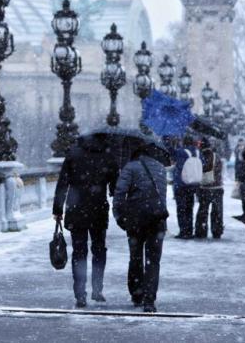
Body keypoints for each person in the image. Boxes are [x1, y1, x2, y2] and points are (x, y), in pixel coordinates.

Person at [52, 134, 119, 308]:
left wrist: (57, 210)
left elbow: (62, 184)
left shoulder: (73, 154)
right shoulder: (107, 156)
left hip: (76, 209)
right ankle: (97, 289)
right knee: (99, 249)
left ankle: (80, 294)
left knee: (79, 252)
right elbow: (114, 187)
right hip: (98, 209)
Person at [113, 146, 168, 312]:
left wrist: (119, 217)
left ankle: (137, 294)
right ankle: (149, 300)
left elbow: (119, 194)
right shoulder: (160, 168)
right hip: (157, 218)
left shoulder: (130, 167)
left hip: (136, 220)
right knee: (153, 261)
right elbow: (162, 195)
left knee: (135, 257)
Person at [172, 135, 202, 239]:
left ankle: (183, 231)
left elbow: (177, 164)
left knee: (181, 209)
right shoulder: (198, 153)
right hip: (193, 184)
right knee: (189, 208)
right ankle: (189, 230)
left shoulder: (181, 152)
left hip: (181, 184)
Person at [195, 138, 224, 239]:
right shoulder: (217, 156)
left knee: (203, 210)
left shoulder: (201, 157)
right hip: (217, 187)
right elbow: (219, 170)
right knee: (217, 211)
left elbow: (200, 170)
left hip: (204, 188)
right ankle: (217, 231)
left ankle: (201, 231)